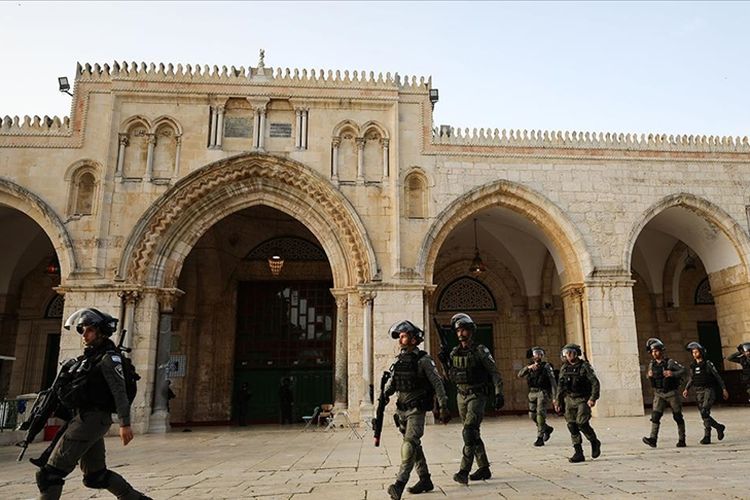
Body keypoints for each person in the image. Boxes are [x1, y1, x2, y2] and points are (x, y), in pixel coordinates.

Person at [34, 308, 150, 500]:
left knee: (49, 474)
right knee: (96, 476)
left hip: (90, 421)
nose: (84, 335)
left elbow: (119, 391)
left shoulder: (109, 359)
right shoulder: (90, 358)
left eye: (89, 330)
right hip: (86, 420)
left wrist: (125, 424)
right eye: (82, 330)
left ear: (101, 333)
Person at [383, 320, 450, 500]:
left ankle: (399, 484)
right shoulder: (400, 359)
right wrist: (384, 394)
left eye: (404, 336)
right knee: (414, 446)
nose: (400, 339)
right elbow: (392, 383)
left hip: (416, 410)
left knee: (409, 445)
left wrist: (443, 405)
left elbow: (437, 383)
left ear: (413, 339)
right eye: (400, 336)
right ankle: (425, 479)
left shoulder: (424, 360)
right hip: (401, 411)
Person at [447, 313, 504, 484]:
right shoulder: (454, 352)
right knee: (472, 433)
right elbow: (451, 376)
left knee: (469, 432)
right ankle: (484, 467)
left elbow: (494, 372)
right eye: (458, 330)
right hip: (460, 395)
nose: (461, 333)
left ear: (471, 331)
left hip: (476, 395)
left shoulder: (480, 350)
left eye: (464, 330)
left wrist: (498, 392)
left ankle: (464, 470)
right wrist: (445, 363)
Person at [553, 343, 601, 463]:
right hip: (569, 399)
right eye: (566, 353)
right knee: (572, 425)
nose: (568, 355)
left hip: (582, 399)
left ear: (576, 354)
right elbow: (560, 385)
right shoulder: (564, 368)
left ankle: (594, 441)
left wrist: (593, 398)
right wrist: (558, 401)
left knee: (582, 423)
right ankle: (578, 452)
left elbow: (595, 383)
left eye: (571, 353)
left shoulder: (584, 367)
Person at [641, 338, 686, 448]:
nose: (654, 353)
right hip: (658, 393)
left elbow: (683, 370)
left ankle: (682, 439)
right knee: (655, 416)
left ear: (661, 351)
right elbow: (650, 377)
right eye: (652, 351)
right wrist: (649, 375)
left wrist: (672, 374)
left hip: (671, 393)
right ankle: (653, 439)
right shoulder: (652, 364)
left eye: (656, 351)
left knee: (677, 416)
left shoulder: (670, 363)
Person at [682, 341, 728, 444]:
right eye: (693, 352)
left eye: (696, 352)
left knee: (704, 412)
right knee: (704, 414)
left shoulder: (708, 364)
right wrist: (686, 389)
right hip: (698, 391)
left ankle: (707, 436)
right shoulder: (693, 365)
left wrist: (724, 389)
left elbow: (717, 377)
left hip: (708, 390)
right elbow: (692, 378)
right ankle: (719, 427)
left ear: (701, 352)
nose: (694, 354)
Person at [517, 346, 556, 446]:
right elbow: (519, 375)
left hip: (542, 392)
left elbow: (553, 382)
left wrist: (555, 397)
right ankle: (547, 428)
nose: (538, 356)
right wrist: (528, 368)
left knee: (540, 415)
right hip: (532, 393)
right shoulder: (530, 367)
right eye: (536, 354)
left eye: (540, 354)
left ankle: (540, 437)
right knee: (532, 415)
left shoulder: (546, 366)